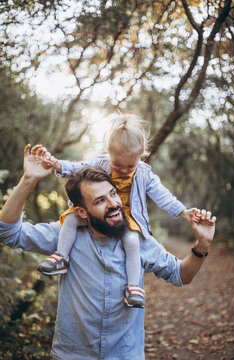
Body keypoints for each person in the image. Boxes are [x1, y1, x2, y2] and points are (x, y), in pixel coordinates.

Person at [0, 145, 216, 360]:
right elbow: (9, 232)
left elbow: (181, 275)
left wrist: (203, 244)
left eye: (113, 193)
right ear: (81, 212)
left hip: (126, 355)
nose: (114, 203)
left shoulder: (139, 241)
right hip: (72, 355)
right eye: (100, 200)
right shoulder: (65, 236)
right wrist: (29, 179)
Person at [38, 114, 198, 308]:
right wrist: (56, 163)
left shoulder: (144, 173)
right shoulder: (101, 163)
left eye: (130, 165)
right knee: (71, 219)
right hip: (99, 212)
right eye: (117, 165)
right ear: (109, 154)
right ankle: (61, 257)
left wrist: (183, 212)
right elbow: (77, 168)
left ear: (141, 156)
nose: (123, 170)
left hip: (127, 216)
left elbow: (163, 196)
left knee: (131, 242)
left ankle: (133, 288)